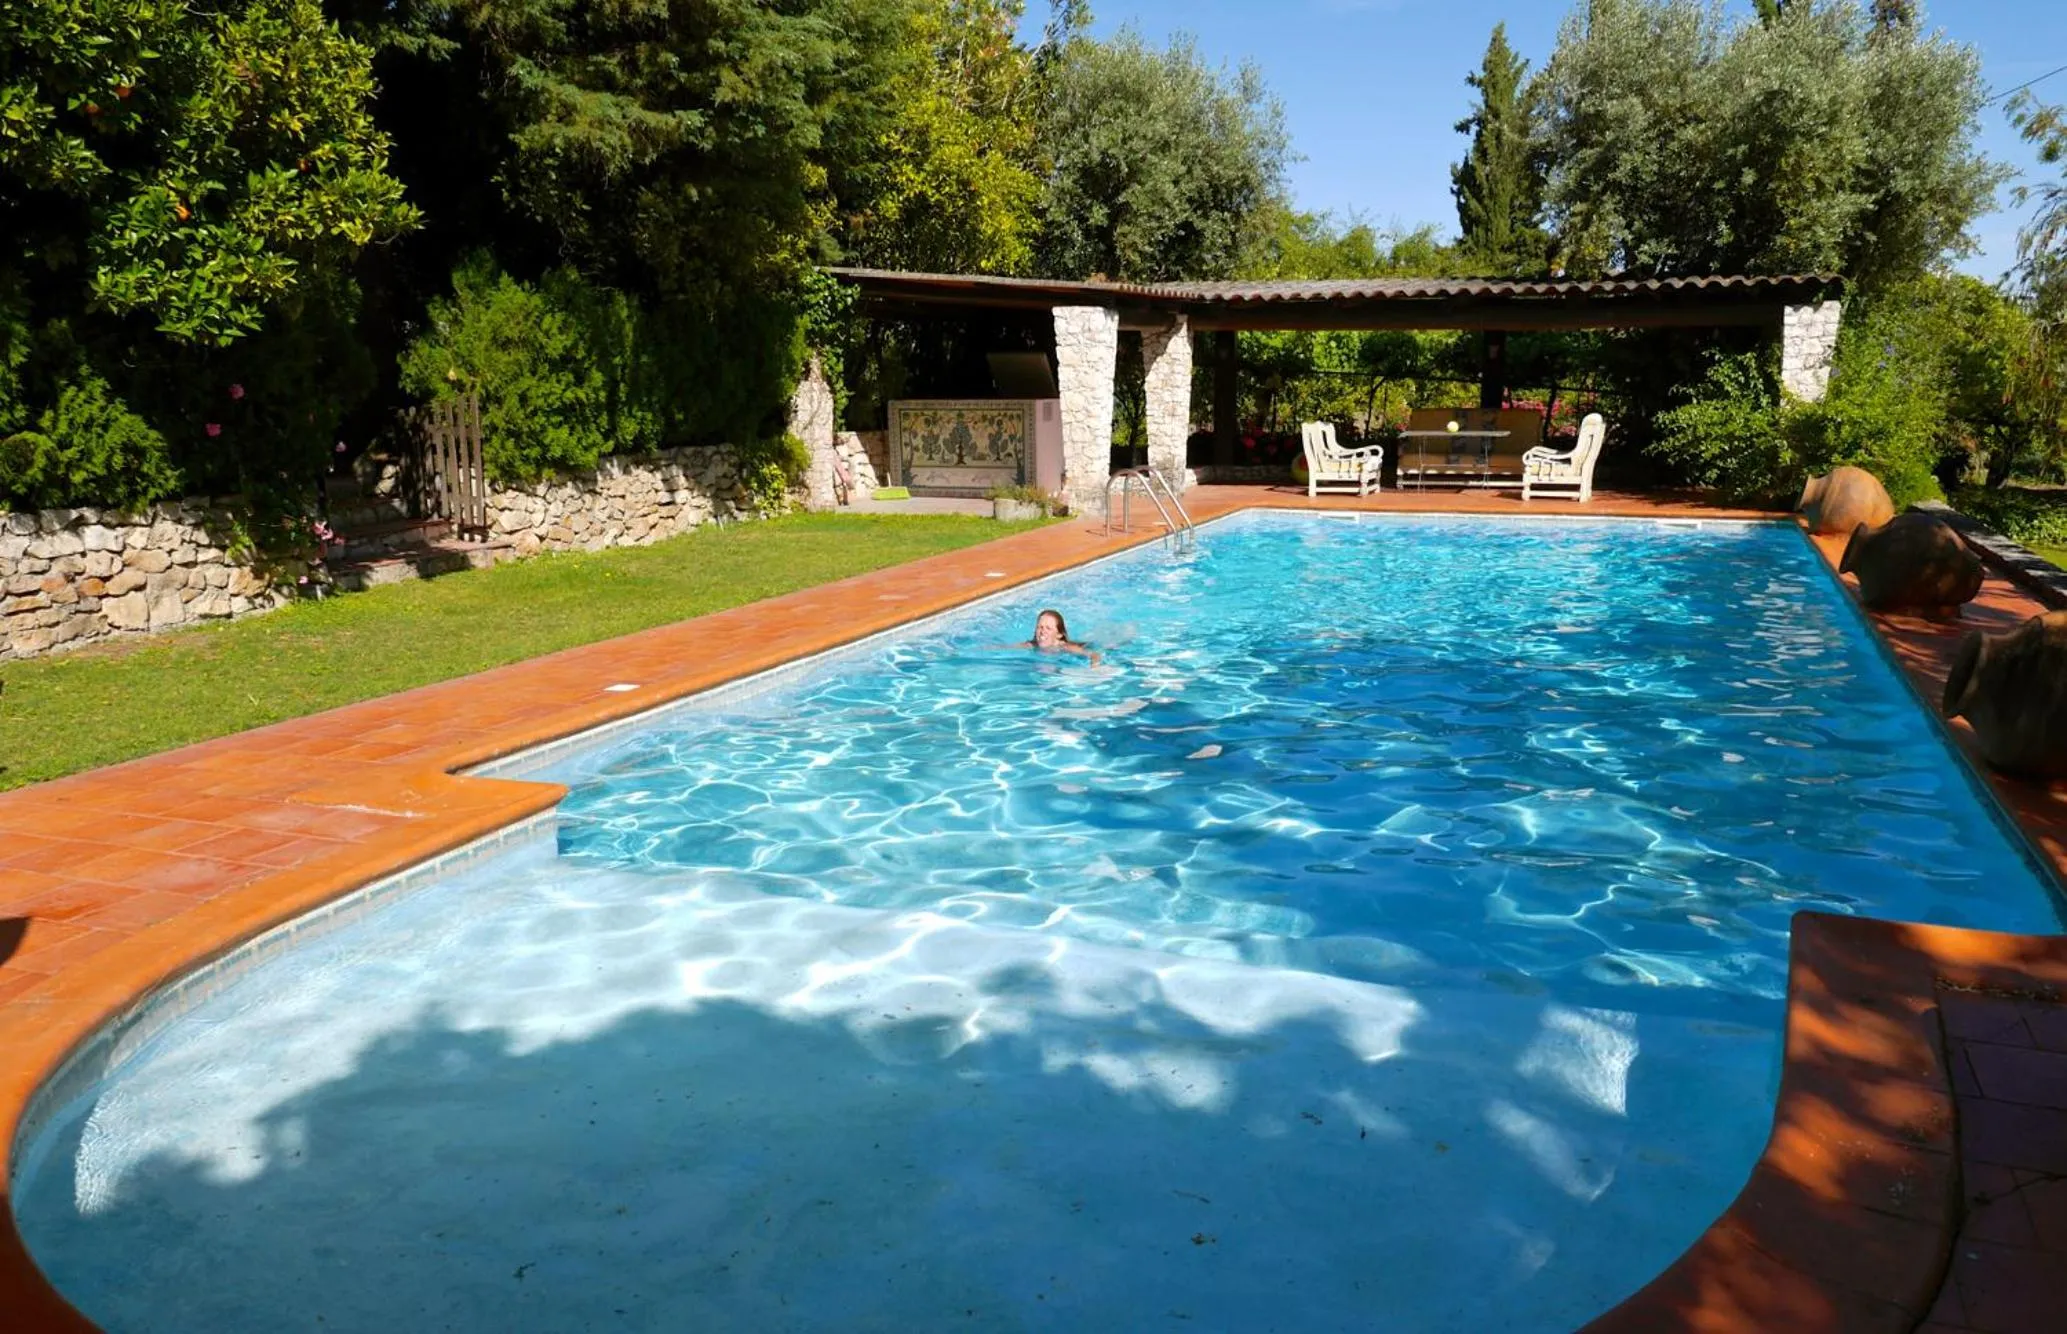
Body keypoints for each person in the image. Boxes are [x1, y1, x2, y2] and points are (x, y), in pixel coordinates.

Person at [1023, 609, 1100, 664]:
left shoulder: (1065, 647)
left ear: (1059, 635)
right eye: (1040, 627)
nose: (1042, 631)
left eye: (1048, 628)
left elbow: (1094, 655)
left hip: (1089, 646)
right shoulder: (1031, 645)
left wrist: (1094, 668)